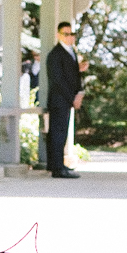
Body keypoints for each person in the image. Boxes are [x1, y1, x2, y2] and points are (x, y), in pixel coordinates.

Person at [43, 21, 85, 178]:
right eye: (66, 34)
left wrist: (79, 92)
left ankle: (58, 165)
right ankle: (57, 168)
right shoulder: (56, 54)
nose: (69, 37)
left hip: (66, 100)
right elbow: (58, 80)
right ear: (58, 35)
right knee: (57, 133)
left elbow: (72, 75)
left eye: (71, 34)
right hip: (58, 100)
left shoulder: (71, 52)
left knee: (62, 133)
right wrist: (72, 97)